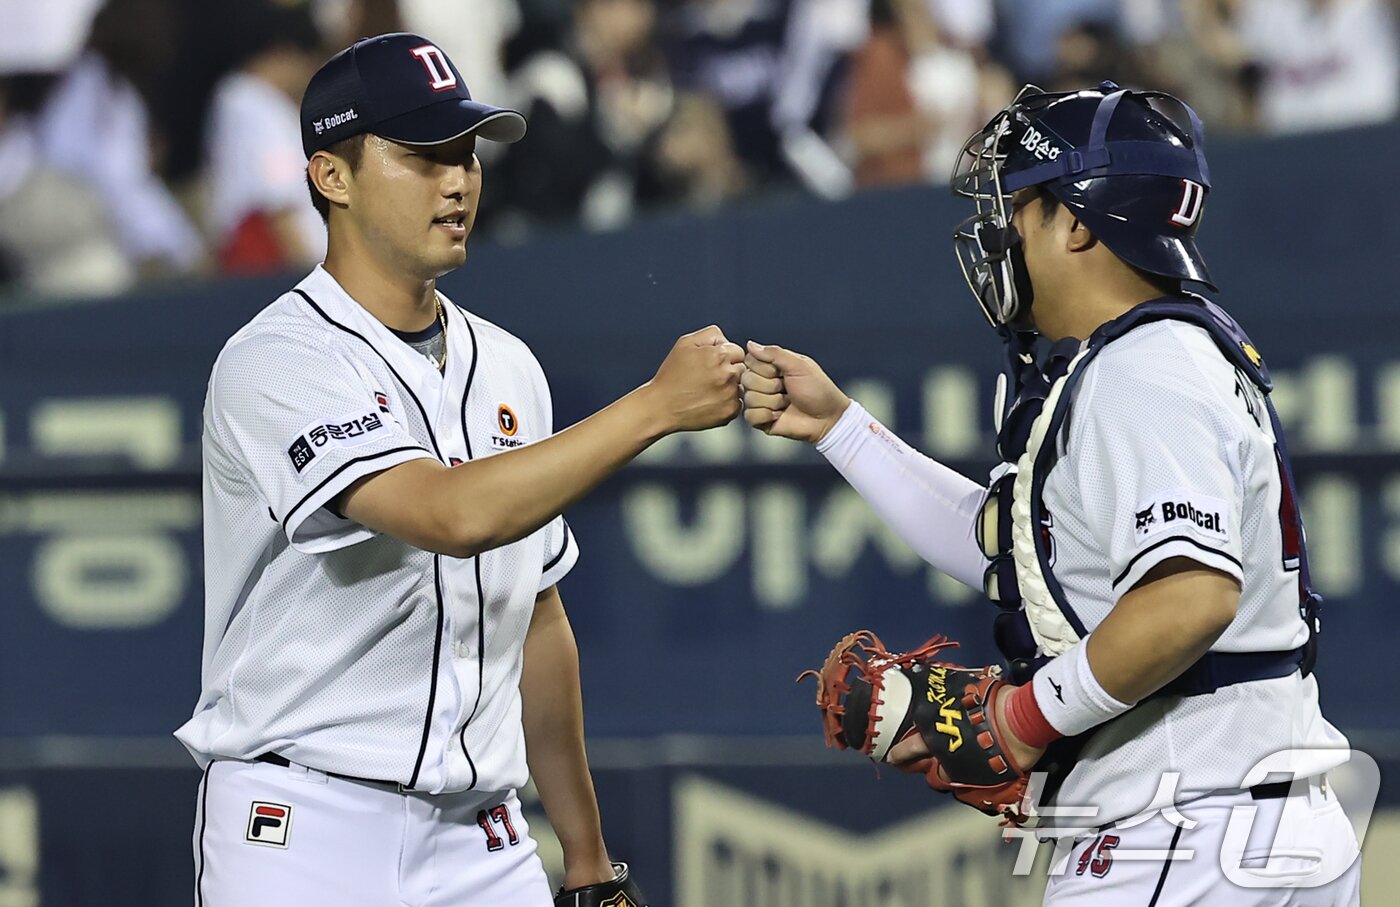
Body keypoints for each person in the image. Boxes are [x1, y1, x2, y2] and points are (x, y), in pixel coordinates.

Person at [743, 82, 1361, 903]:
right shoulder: (1148, 355)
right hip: (1234, 816)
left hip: (1185, 826)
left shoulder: (1144, 370)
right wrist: (843, 430)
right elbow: (1017, 552)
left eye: (1022, 206)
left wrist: (1021, 718)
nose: (1000, 230)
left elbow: (1191, 599)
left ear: (1078, 222)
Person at [175, 32, 743, 906]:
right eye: (422, 154)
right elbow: (447, 514)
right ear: (332, 176)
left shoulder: (510, 364)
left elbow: (537, 619)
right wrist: (656, 407)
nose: (459, 180)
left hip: (483, 838)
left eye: (466, 153)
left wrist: (589, 860)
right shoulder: (277, 357)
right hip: (301, 825)